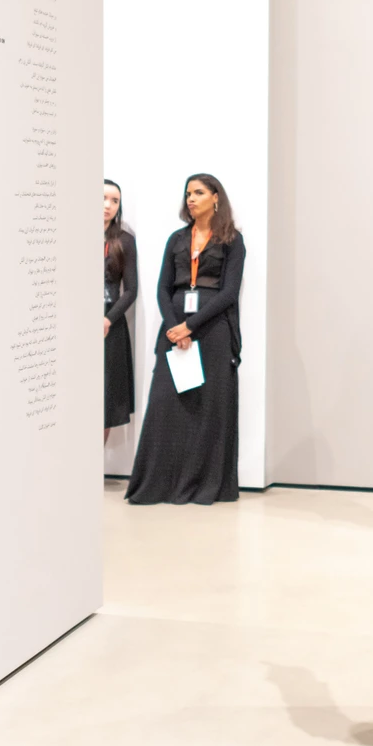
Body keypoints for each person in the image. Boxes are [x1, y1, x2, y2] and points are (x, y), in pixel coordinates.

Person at [126, 174, 244, 505]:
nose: (190, 198)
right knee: (167, 404)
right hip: (175, 331)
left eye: (199, 192)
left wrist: (191, 326)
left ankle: (205, 485)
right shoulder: (176, 239)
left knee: (209, 408)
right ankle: (159, 485)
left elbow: (229, 293)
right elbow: (164, 288)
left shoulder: (232, 241)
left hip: (214, 332)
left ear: (216, 197)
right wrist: (175, 325)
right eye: (188, 193)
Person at [103, 179, 138, 436]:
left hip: (110, 327)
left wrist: (107, 320)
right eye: (103, 198)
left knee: (104, 405)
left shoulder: (124, 241)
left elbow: (131, 290)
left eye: (115, 201)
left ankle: (93, 474)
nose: (108, 205)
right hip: (74, 326)